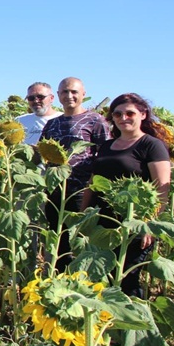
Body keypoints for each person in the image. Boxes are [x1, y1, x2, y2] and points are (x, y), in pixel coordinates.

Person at [81, 93, 171, 297]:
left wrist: (149, 224)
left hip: (135, 221)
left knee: (128, 277)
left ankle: (132, 324)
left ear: (142, 114)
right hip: (103, 221)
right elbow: (93, 182)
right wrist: (83, 215)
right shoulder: (107, 145)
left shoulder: (151, 145)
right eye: (117, 114)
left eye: (129, 113)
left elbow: (162, 188)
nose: (123, 118)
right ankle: (107, 324)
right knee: (102, 276)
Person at [40, 77, 111, 271]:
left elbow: (105, 155)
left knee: (80, 238)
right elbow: (43, 152)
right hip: (55, 190)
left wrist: (94, 186)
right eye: (64, 92)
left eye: (74, 92)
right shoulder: (52, 124)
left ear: (83, 95)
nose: (69, 96)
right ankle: (58, 279)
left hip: (82, 190)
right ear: (58, 95)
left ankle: (81, 282)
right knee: (57, 237)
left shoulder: (95, 120)